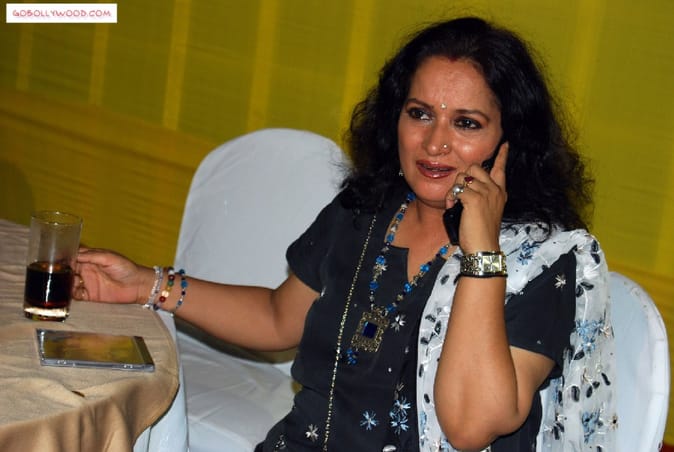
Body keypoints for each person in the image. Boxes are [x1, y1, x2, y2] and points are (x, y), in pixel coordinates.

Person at [74, 16, 616, 452]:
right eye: (419, 114)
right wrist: (146, 285)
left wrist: (481, 255)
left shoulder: (541, 261)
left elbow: (470, 428)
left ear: (509, 143)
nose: (434, 143)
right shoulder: (366, 211)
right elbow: (277, 317)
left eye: (466, 123)